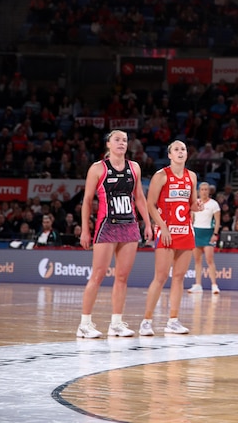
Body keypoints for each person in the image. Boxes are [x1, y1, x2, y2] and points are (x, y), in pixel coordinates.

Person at [76, 130, 152, 338]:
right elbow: (87, 201)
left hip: (129, 226)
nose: (121, 143)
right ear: (108, 144)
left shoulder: (134, 167)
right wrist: (85, 229)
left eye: (125, 140)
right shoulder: (97, 168)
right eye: (117, 139)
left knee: (122, 277)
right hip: (106, 226)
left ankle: (116, 323)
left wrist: (147, 223)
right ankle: (84, 324)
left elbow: (140, 199)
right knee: (98, 275)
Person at [140, 140, 201, 337]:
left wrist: (196, 206)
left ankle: (173, 320)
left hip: (185, 230)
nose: (180, 152)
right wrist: (162, 227)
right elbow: (150, 204)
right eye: (176, 149)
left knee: (179, 277)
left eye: (183, 149)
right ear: (170, 155)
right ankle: (146, 321)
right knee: (160, 277)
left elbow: (191, 204)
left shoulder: (191, 176)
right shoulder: (161, 176)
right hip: (166, 231)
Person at [188, 182, 222, 294]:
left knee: (209, 260)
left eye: (206, 189)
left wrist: (215, 234)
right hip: (196, 232)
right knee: (197, 261)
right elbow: (191, 219)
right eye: (202, 189)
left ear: (209, 191)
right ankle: (198, 285)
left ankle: (214, 285)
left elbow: (217, 221)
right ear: (199, 191)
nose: (204, 191)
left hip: (208, 233)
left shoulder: (214, 204)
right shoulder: (195, 203)